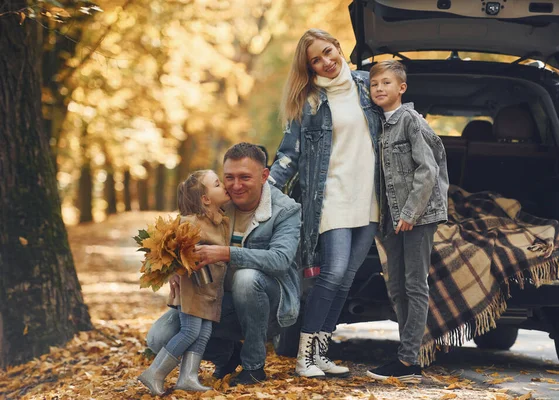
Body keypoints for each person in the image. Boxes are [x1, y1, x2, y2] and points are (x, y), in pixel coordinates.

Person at [268, 28, 381, 378]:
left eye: (328, 52)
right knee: (331, 274)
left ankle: (320, 353)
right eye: (316, 59)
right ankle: (304, 358)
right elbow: (288, 155)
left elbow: (398, 127)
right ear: (309, 67)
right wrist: (263, 195)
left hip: (370, 198)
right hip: (330, 196)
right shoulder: (310, 101)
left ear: (339, 47)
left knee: (346, 278)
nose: (326, 62)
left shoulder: (368, 86)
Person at [145, 142, 302, 386]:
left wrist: (226, 253)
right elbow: (176, 236)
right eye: (229, 178)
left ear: (264, 176)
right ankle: (227, 356)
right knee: (158, 337)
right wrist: (174, 269)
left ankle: (253, 367)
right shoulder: (216, 203)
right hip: (219, 299)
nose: (235, 186)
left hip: (270, 306)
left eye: (244, 177)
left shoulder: (285, 210)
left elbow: (280, 260)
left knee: (246, 278)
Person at [365, 60, 448, 382]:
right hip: (392, 217)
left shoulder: (411, 121)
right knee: (396, 286)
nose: (379, 89)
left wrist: (411, 213)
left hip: (419, 215)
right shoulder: (379, 125)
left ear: (401, 88)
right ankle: (407, 353)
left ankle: (408, 361)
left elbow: (428, 170)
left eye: (386, 83)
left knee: (414, 285)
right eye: (374, 84)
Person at [138, 170, 231, 395]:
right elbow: (166, 247)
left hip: (210, 289)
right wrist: (173, 272)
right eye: (217, 184)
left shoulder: (220, 220)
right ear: (205, 199)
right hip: (193, 287)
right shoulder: (190, 222)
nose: (224, 186)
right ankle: (155, 373)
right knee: (190, 331)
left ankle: (188, 377)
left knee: (204, 332)